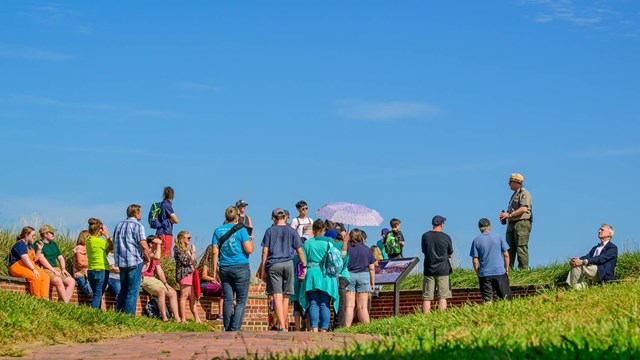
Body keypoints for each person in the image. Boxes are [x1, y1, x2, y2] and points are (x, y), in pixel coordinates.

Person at [257, 208, 306, 332]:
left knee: (277, 296)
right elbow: (300, 251)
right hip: (288, 264)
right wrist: (304, 266)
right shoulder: (292, 231)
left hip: (274, 264)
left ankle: (282, 326)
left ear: (274, 218)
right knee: (286, 297)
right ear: (285, 217)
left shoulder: (269, 231)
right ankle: (283, 324)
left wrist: (263, 269)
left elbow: (264, 252)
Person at [211, 206, 253, 331]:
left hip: (224, 266)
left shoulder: (217, 230)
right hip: (241, 266)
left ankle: (227, 327)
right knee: (241, 300)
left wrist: (214, 270)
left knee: (228, 299)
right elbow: (249, 249)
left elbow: (214, 251)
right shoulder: (242, 230)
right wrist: (251, 241)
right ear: (236, 217)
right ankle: (234, 328)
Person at [298, 220, 340, 332]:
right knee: (325, 303)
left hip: (311, 274)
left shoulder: (308, 243)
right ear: (323, 230)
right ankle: (324, 328)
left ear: (313, 230)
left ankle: (314, 327)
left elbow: (302, 260)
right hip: (326, 275)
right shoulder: (329, 242)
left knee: (313, 302)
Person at [113, 204, 149, 315]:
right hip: (134, 260)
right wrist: (147, 258)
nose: (141, 214)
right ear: (136, 213)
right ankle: (129, 316)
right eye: (140, 212)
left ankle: (120, 313)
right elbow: (143, 244)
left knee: (123, 289)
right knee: (132, 290)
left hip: (121, 261)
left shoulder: (118, 225)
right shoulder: (138, 226)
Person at [470, 218, 512, 304]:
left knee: (487, 300)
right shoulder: (498, 237)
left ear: (479, 227)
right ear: (490, 226)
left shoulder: (476, 240)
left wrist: (478, 272)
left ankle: (488, 315)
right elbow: (506, 255)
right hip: (499, 272)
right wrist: (506, 269)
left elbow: (475, 260)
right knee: (506, 299)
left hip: (485, 274)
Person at [565, 224, 618, 290]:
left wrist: (582, 262)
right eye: (599, 229)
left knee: (579, 266)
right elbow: (588, 256)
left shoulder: (612, 248)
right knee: (577, 285)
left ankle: (570, 286)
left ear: (609, 234)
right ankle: (572, 287)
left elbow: (600, 258)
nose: (599, 231)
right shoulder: (595, 248)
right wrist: (576, 260)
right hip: (591, 272)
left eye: (602, 230)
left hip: (601, 273)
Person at [141, 235, 181, 322]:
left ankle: (177, 318)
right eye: (156, 243)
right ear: (150, 244)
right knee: (160, 291)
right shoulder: (146, 252)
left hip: (152, 278)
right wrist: (159, 244)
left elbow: (159, 271)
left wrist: (166, 284)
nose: (158, 245)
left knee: (173, 293)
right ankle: (164, 318)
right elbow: (157, 257)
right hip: (144, 278)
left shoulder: (155, 255)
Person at [499, 173, 533, 269]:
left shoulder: (524, 193)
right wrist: (506, 215)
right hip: (512, 222)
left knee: (521, 247)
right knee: (509, 248)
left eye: (510, 181)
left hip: (521, 223)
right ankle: (508, 270)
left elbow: (524, 209)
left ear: (517, 182)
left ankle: (523, 270)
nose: (509, 183)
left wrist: (509, 215)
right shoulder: (514, 194)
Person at [421, 215, 453, 313]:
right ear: (442, 224)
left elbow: (424, 250)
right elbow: (450, 253)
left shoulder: (425, 236)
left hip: (429, 269)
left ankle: (426, 317)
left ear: (433, 224)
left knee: (427, 296)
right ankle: (441, 317)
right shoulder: (446, 237)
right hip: (443, 270)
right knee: (442, 296)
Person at [344, 228, 376, 327]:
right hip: (364, 276)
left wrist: (345, 241)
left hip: (350, 275)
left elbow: (342, 258)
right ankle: (368, 328)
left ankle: (347, 328)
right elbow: (372, 268)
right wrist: (373, 283)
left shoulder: (348, 248)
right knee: (363, 307)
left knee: (349, 306)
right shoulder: (366, 249)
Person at [35, 224, 75, 303]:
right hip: (45, 269)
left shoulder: (54, 244)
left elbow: (61, 258)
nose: (53, 234)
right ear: (45, 234)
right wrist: (53, 270)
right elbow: (42, 260)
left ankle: (62, 303)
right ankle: (66, 304)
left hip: (56, 269)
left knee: (71, 281)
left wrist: (63, 269)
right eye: (51, 232)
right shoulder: (38, 243)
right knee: (58, 280)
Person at [9, 226, 49, 298]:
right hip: (17, 266)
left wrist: (39, 250)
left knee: (45, 277)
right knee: (35, 277)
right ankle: (36, 298)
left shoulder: (31, 245)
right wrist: (33, 269)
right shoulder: (20, 244)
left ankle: (45, 298)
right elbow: (25, 258)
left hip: (29, 265)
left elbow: (35, 259)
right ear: (26, 235)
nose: (34, 237)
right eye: (33, 235)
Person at [174, 230, 201, 323]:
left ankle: (197, 318)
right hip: (184, 274)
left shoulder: (187, 249)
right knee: (184, 296)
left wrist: (192, 254)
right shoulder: (178, 248)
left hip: (191, 274)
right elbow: (186, 261)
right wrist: (193, 253)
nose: (189, 239)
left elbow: (194, 262)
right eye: (188, 238)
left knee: (192, 297)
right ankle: (183, 319)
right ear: (182, 239)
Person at [86, 218, 113, 309]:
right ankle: (92, 313)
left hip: (91, 271)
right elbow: (112, 246)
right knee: (98, 295)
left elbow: (106, 250)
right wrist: (106, 234)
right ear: (99, 230)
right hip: (101, 270)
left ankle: (98, 312)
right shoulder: (100, 241)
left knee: (96, 294)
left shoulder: (89, 241)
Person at [197, 244, 224, 320]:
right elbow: (204, 276)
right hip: (205, 285)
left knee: (225, 290)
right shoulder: (206, 263)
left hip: (213, 286)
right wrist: (213, 279)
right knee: (224, 289)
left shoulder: (216, 264)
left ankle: (221, 314)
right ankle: (221, 314)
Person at [156, 186, 180, 258]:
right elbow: (176, 220)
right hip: (166, 232)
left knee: (159, 253)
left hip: (159, 231)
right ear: (172, 195)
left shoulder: (160, 205)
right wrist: (172, 220)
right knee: (166, 254)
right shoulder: (167, 205)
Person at [73, 230, 93, 297]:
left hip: (88, 275)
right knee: (92, 292)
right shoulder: (80, 248)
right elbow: (80, 263)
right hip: (81, 275)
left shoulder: (88, 249)